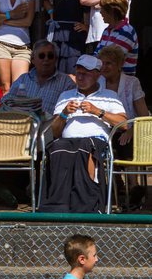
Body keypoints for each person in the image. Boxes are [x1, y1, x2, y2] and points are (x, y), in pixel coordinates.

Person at [40, 55, 127, 213]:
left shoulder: (109, 96)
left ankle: (87, 205)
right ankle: (57, 205)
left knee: (85, 148)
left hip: (96, 142)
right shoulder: (66, 96)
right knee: (57, 148)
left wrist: (97, 111)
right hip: (67, 141)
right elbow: (55, 131)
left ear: (97, 74)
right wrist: (64, 113)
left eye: (85, 73)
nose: (80, 77)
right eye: (78, 73)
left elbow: (124, 123)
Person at [96, 44, 150, 211]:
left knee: (125, 141)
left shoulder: (131, 83)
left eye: (109, 63)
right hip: (104, 128)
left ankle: (133, 188)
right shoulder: (98, 82)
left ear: (120, 65)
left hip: (129, 128)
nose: (104, 67)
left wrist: (131, 129)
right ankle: (111, 186)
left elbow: (143, 115)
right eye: (102, 63)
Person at [1, 40, 73, 116]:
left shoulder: (66, 82)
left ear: (55, 59)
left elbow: (71, 109)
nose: (46, 59)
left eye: (50, 56)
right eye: (42, 56)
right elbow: (5, 101)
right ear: (33, 60)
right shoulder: (23, 79)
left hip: (50, 126)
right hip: (24, 123)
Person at [45, 0, 87, 73]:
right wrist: (50, 11)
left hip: (74, 32)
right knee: (55, 68)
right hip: (57, 31)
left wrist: (87, 26)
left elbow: (87, 7)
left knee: (73, 69)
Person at [94, 0, 139, 76]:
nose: (101, 12)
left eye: (102, 9)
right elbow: (97, 54)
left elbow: (112, 57)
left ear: (111, 12)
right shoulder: (107, 31)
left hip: (121, 81)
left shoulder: (127, 31)